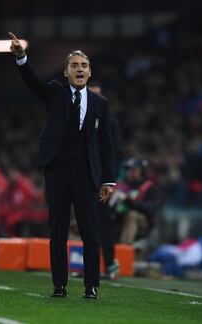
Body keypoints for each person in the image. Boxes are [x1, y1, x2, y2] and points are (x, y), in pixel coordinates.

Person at [9, 32, 115, 299]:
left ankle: (91, 286)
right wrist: (22, 58)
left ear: (90, 73)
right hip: (57, 171)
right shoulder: (54, 92)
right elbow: (33, 82)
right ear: (66, 72)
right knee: (57, 232)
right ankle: (60, 285)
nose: (79, 69)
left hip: (86, 173)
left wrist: (109, 180)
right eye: (74, 65)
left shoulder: (100, 104)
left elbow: (106, 143)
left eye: (84, 66)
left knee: (90, 232)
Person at [89, 81, 123, 280]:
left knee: (104, 224)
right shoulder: (79, 119)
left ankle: (109, 265)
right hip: (84, 179)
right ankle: (89, 266)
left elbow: (116, 152)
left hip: (101, 182)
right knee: (86, 225)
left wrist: (110, 181)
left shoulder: (110, 122)